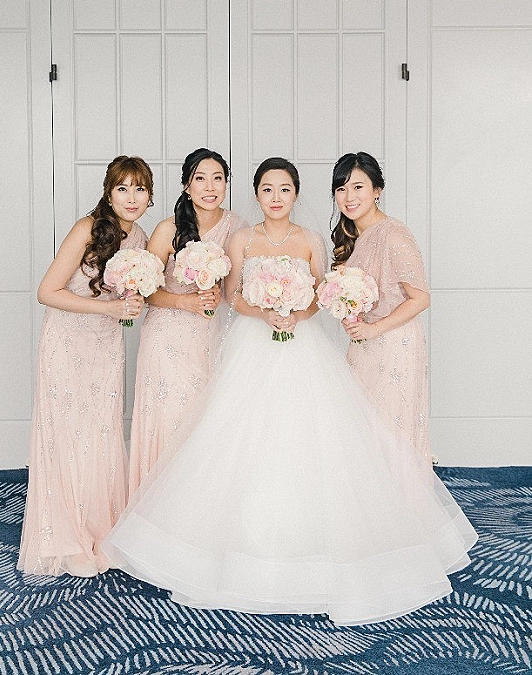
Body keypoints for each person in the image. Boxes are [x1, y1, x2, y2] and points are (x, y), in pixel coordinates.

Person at [103, 157, 476, 626]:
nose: (275, 197)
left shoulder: (311, 239)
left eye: (284, 189)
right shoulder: (242, 238)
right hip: (252, 342)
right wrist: (264, 312)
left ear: (296, 194)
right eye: (266, 189)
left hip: (302, 343)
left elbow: (321, 294)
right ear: (256, 194)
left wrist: (296, 313)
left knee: (313, 437)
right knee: (235, 437)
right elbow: (234, 297)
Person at [18, 155, 153, 577]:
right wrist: (108, 308)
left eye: (140, 188)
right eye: (122, 188)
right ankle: (65, 537)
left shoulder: (140, 237)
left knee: (101, 432)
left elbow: (132, 297)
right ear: (108, 193)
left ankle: (98, 528)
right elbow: (47, 291)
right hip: (67, 341)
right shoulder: (87, 229)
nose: (131, 197)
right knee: (67, 432)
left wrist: (131, 302)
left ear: (150, 196)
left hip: (106, 345)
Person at [128, 147, 245, 493]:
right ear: (186, 186)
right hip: (166, 338)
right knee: (168, 420)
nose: (210, 187)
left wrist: (218, 294)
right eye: (200, 179)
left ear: (226, 184)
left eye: (217, 179)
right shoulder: (168, 229)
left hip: (210, 335)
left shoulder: (237, 227)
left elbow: (236, 289)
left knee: (204, 419)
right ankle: (156, 502)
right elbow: (146, 291)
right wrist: (184, 301)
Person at [331, 152, 431, 462]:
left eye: (358, 187)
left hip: (394, 343)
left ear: (377, 190)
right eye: (342, 189)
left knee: (389, 431)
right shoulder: (355, 236)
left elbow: (420, 298)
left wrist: (373, 329)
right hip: (363, 342)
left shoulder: (393, 235)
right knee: (363, 430)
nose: (349, 197)